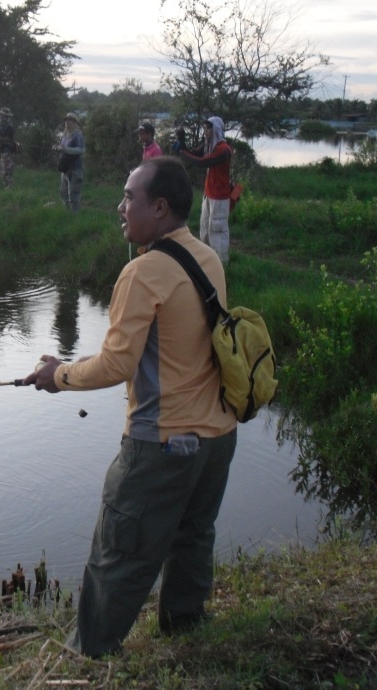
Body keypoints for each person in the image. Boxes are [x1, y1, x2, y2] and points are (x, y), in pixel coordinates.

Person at [24, 156, 238, 658]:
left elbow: (117, 365)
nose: (120, 207)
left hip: (163, 446)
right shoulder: (206, 257)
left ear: (159, 207)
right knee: (192, 537)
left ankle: (90, 656)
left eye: (129, 197)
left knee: (118, 554)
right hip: (217, 441)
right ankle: (185, 633)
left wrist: (57, 375)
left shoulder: (142, 272)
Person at [178, 116, 233, 263]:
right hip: (208, 195)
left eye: (208, 128)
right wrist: (181, 140)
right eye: (205, 128)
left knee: (217, 232)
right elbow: (193, 153)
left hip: (220, 198)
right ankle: (208, 262)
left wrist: (182, 153)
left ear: (216, 129)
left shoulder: (223, 150)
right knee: (205, 230)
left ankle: (221, 264)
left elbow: (201, 162)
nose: (206, 131)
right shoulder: (209, 146)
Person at [55, 112, 85, 212]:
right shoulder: (64, 135)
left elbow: (81, 150)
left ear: (75, 123)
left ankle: (74, 217)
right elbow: (62, 148)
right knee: (63, 193)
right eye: (66, 120)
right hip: (65, 169)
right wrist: (57, 148)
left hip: (75, 170)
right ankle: (67, 214)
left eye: (70, 120)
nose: (67, 122)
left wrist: (66, 149)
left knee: (73, 195)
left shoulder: (78, 135)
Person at [0, 107, 16, 188]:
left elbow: (9, 139)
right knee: (3, 172)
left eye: (3, 115)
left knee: (7, 172)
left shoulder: (9, 126)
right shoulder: (2, 126)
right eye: (0, 115)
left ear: (6, 117)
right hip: (3, 151)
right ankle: (6, 188)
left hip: (8, 151)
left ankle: (9, 189)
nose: (1, 117)